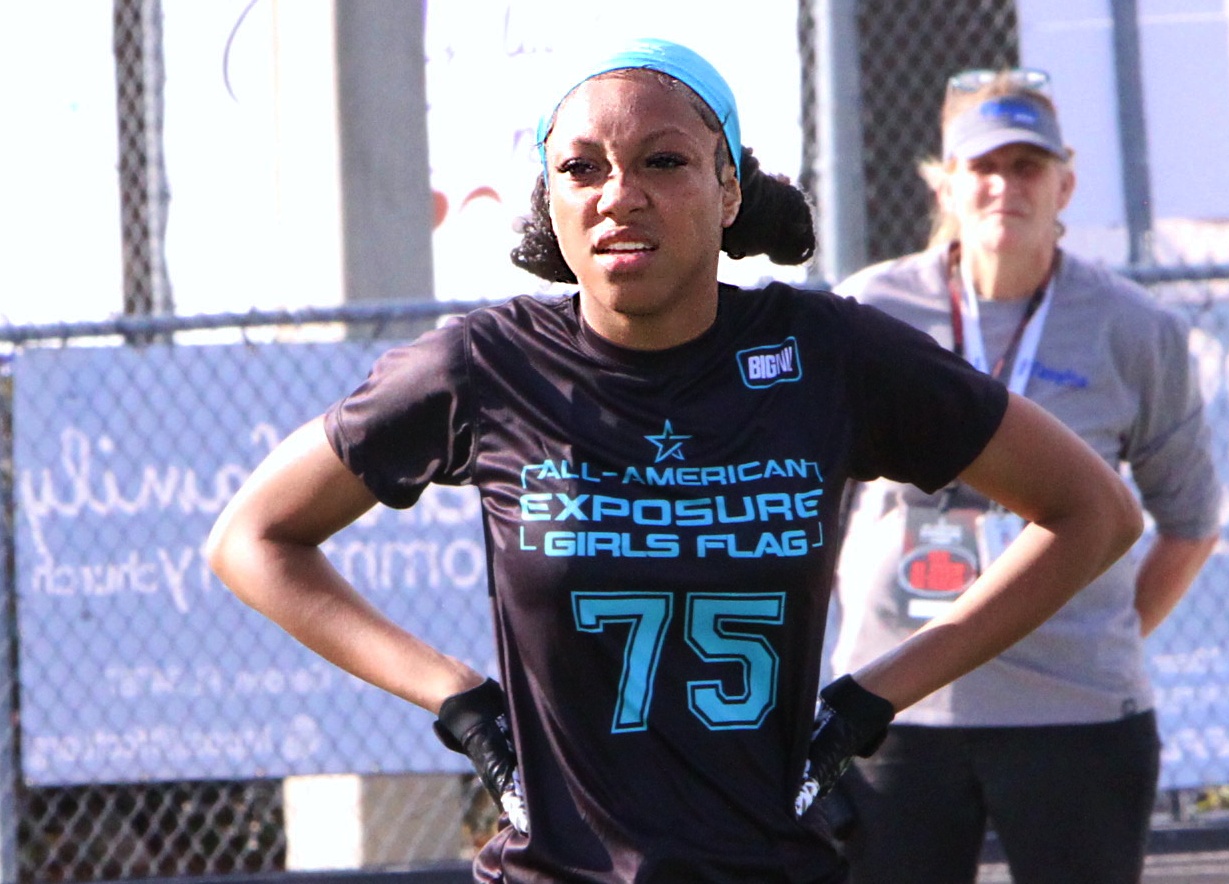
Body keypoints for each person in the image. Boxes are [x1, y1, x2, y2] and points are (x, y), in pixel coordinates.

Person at [205, 42, 1142, 884]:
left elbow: (1093, 514)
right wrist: (457, 699)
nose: (620, 194)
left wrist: (868, 700)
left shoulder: (829, 353)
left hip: (769, 867)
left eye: (663, 161)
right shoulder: (484, 366)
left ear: (727, 187)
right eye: (581, 168)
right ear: (551, 199)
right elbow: (252, 539)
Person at [826, 68, 1221, 884]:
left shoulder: (1135, 329)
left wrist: (1094, 631)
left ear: (1066, 183)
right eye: (983, 166)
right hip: (893, 707)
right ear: (946, 182)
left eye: (1027, 166)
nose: (1004, 185)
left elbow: (1190, 523)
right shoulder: (867, 312)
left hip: (1074, 709)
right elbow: (813, 503)